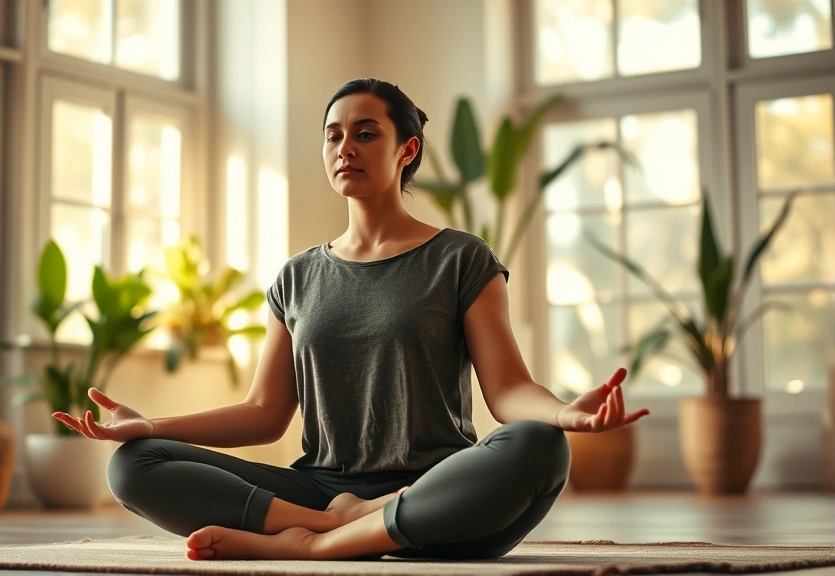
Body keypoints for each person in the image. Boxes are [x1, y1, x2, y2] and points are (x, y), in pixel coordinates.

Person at [52, 78, 649, 562]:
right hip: (321, 488)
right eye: (334, 136)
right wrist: (150, 424)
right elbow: (264, 413)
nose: (346, 148)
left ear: (405, 149)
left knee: (540, 448)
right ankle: (320, 525)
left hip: (437, 493)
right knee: (134, 464)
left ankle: (312, 549)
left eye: (366, 134)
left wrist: (565, 413)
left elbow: (509, 391)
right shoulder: (297, 276)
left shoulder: (461, 258)